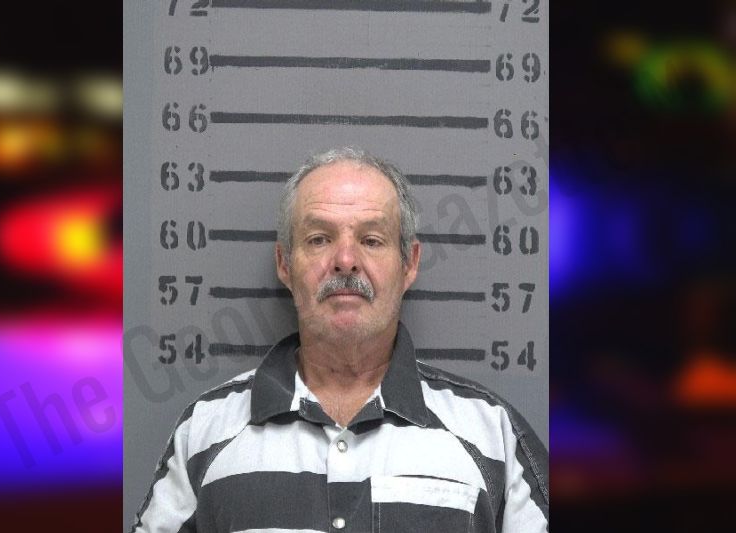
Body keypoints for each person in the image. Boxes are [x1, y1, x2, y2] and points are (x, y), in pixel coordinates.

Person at [131, 147, 548, 532]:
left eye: (371, 240)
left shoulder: (492, 436)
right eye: (319, 239)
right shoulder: (205, 432)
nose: (346, 260)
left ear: (409, 264)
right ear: (284, 263)